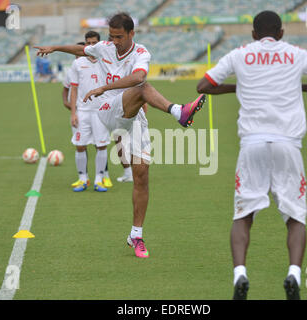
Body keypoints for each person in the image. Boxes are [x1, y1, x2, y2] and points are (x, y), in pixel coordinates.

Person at [34, 12, 206, 258]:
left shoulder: (141, 53)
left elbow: (138, 75)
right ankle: (178, 111)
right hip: (107, 110)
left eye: (119, 37)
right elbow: (81, 50)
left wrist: (105, 85)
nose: (114, 41)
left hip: (133, 116)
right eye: (111, 36)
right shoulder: (103, 48)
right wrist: (55, 48)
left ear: (131, 34)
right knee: (143, 88)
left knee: (142, 175)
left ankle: (135, 235)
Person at [197, 10, 307, 300]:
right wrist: (300, 87)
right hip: (288, 144)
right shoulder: (297, 53)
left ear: (253, 34)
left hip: (252, 144)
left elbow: (204, 86)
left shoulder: (241, 53)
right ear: (281, 33)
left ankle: (240, 274)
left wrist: (241, 87)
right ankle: (294, 274)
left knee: (243, 215)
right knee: (295, 216)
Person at [66, 32, 113, 192]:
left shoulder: (106, 61)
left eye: (94, 42)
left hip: (101, 112)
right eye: (88, 43)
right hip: (83, 111)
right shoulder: (78, 63)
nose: (91, 45)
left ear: (99, 43)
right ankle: (82, 179)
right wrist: (73, 113)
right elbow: (73, 89)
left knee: (101, 146)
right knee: (80, 145)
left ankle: (99, 179)